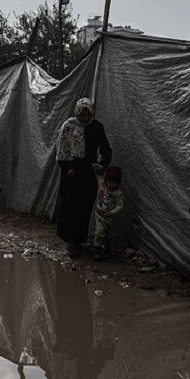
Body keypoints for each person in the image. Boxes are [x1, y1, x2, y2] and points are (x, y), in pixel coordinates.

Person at [55, 97, 112, 258]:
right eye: (82, 115)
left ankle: (80, 240)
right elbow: (61, 150)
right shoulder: (69, 126)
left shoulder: (96, 127)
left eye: (88, 115)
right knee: (70, 206)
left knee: (84, 206)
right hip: (71, 173)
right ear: (77, 113)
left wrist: (102, 164)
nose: (85, 118)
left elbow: (106, 150)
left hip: (87, 173)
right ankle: (71, 241)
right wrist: (67, 168)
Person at [92, 165, 124, 259]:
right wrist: (96, 169)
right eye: (110, 182)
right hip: (100, 216)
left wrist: (112, 212)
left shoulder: (118, 193)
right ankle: (97, 250)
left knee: (108, 235)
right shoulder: (103, 186)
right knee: (99, 232)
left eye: (114, 183)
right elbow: (99, 178)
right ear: (106, 181)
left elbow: (120, 205)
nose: (111, 185)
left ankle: (107, 249)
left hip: (110, 218)